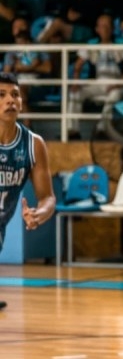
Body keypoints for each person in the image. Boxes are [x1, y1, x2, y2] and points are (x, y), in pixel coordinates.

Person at [0, 72, 56, 311]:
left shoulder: (33, 144)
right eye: (1, 95)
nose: (10, 100)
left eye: (15, 94)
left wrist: (40, 213)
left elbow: (48, 197)